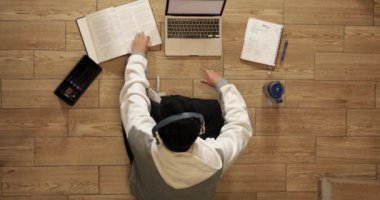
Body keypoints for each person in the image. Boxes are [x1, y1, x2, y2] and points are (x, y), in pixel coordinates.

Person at [119, 32, 252, 200]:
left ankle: (163, 101)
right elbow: (240, 125)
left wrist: (138, 54)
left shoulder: (141, 140)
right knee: (217, 109)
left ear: (157, 128)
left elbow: (133, 94)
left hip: (146, 193)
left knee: (130, 117)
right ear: (199, 130)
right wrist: (222, 85)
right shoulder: (216, 158)